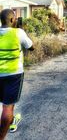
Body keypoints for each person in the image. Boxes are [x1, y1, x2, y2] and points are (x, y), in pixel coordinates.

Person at [0, 9, 34, 140]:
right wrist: (20, 29)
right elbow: (31, 46)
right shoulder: (18, 33)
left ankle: (11, 120)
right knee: (8, 106)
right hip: (13, 74)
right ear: (12, 20)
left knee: (5, 104)